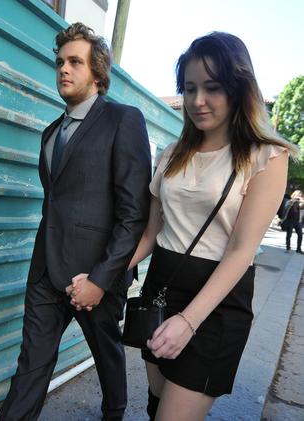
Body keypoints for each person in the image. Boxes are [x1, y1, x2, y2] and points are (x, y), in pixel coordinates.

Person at [126, 32, 297, 421]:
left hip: (218, 301)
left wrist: (189, 321)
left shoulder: (267, 155)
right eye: (189, 89)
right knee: (157, 401)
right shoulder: (171, 154)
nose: (197, 101)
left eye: (212, 88)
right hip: (162, 288)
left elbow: (241, 251)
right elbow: (152, 234)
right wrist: (107, 272)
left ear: (239, 89)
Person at [0, 23, 151, 421]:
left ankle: (114, 414)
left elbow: (134, 213)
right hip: (46, 272)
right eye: (60, 62)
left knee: (107, 358)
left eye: (75, 62)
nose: (64, 69)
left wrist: (101, 279)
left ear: (97, 73)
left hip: (97, 273)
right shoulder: (50, 133)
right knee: (31, 365)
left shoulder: (124, 120)